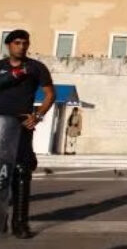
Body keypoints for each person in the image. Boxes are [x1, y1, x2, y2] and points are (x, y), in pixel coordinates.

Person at [0, 29, 55, 238]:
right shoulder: (0, 67)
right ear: (9, 45)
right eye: (17, 43)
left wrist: (38, 115)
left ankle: (20, 223)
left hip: (22, 124)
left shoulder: (36, 67)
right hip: (0, 122)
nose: (22, 46)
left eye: (25, 43)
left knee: (22, 172)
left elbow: (50, 94)